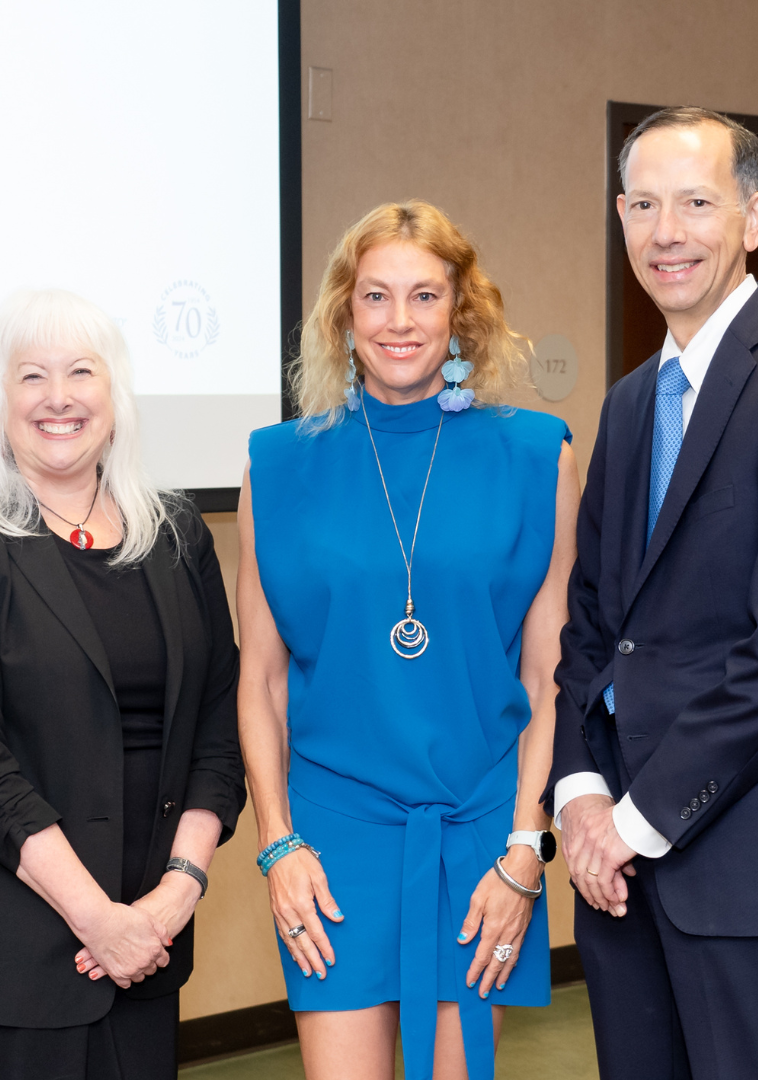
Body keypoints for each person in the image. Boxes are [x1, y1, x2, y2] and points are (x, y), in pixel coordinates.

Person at [550, 106, 758, 1080]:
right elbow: (593, 627)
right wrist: (578, 799)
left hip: (746, 855)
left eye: (696, 203)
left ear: (756, 216)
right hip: (617, 865)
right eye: (643, 205)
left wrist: (636, 822)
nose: (666, 233)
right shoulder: (628, 400)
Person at [237, 200, 578, 1080]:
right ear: (344, 314)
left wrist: (524, 850)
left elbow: (549, 676)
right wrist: (277, 842)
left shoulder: (538, 455)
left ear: (460, 312)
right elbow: (262, 682)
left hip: (481, 840)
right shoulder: (277, 466)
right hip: (331, 842)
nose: (399, 322)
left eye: (424, 297)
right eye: (376, 296)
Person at [0, 289, 245, 1079]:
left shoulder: (176, 531)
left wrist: (174, 897)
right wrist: (99, 920)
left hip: (152, 938)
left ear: (114, 397)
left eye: (81, 373)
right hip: (16, 948)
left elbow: (217, 732)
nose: (59, 398)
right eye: (31, 377)